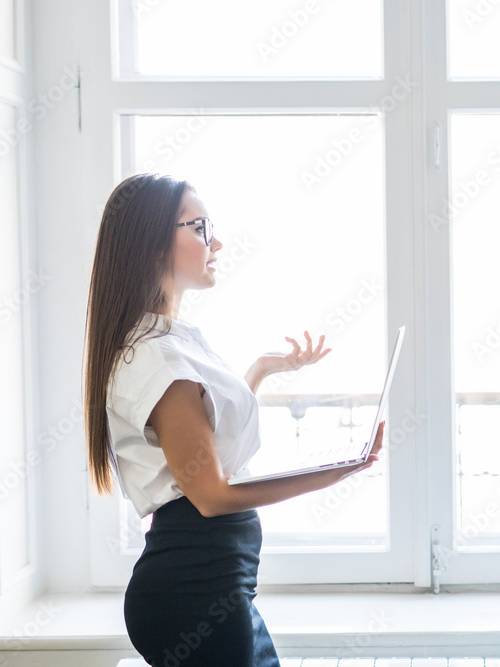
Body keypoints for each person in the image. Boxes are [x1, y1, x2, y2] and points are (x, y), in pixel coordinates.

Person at [83, 173, 384, 666]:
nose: (216, 242)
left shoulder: (168, 341)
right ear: (153, 243)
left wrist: (262, 369)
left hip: (214, 584)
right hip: (192, 594)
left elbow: (205, 437)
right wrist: (335, 472)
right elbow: (212, 496)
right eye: (199, 227)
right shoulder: (158, 358)